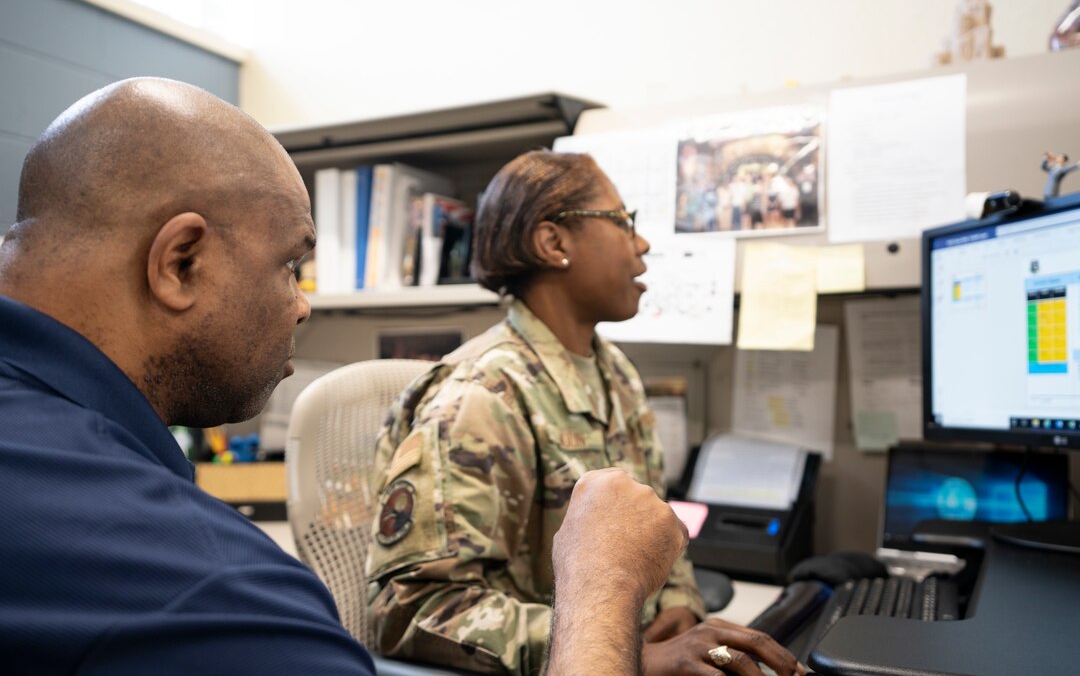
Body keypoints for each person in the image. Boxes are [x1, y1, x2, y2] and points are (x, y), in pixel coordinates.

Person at [0, 78, 688, 675]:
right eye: (291, 265)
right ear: (181, 263)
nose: (303, 303)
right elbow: (420, 610)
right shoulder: (214, 589)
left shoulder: (618, 379)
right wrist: (607, 603)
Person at [366, 150, 805, 676]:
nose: (641, 245)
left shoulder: (615, 374)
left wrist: (679, 605)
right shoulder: (481, 398)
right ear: (554, 243)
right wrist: (631, 653)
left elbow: (656, 524)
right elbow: (411, 610)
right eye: (622, 223)